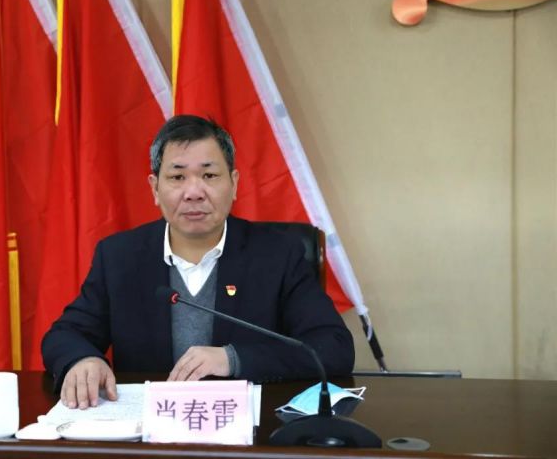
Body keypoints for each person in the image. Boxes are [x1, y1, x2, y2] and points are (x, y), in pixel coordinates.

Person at [42, 115, 354, 410]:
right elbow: (65, 335)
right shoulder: (120, 256)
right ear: (154, 188)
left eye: (209, 175)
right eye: (177, 177)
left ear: (234, 183)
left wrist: (233, 359)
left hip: (248, 430)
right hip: (151, 431)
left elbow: (333, 347)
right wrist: (82, 359)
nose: (193, 192)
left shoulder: (277, 254)